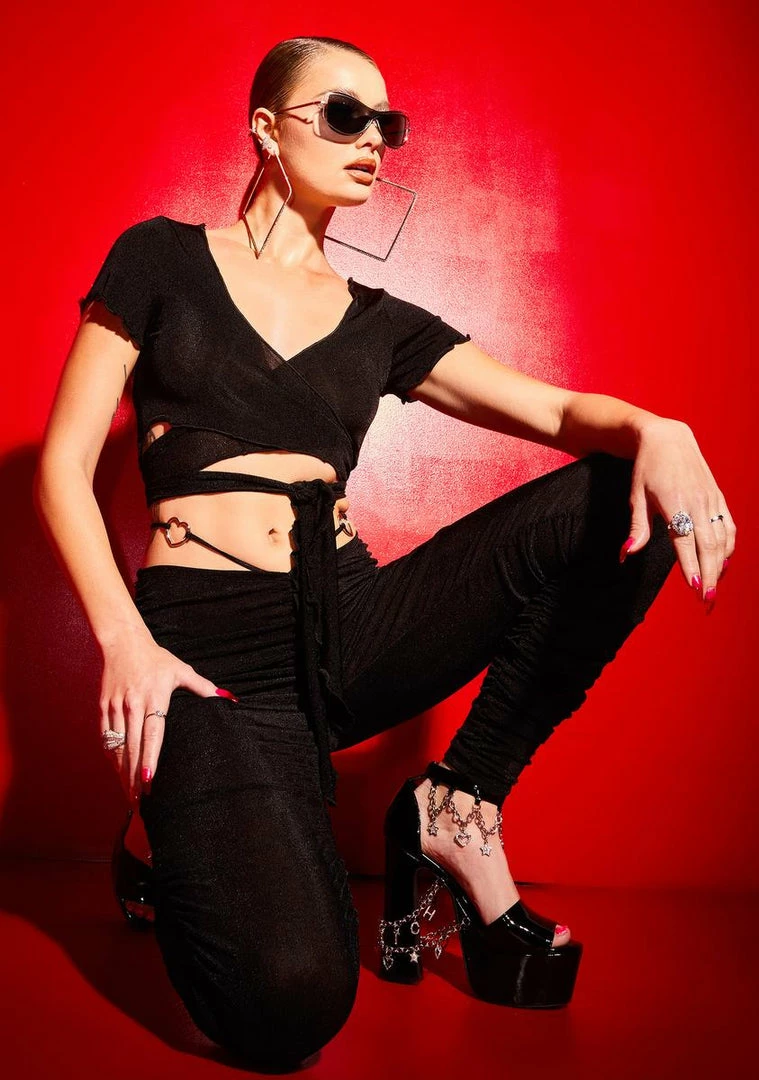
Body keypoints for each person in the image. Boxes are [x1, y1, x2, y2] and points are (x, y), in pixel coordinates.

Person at [33, 34, 734, 1071]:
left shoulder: (379, 324)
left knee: (615, 499)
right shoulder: (160, 259)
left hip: (349, 629)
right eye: (344, 115)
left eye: (387, 124)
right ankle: (161, 827)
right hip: (206, 660)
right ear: (266, 130)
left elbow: (553, 410)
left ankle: (459, 801)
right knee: (292, 1005)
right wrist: (127, 644)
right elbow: (60, 467)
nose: (374, 141)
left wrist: (658, 429)